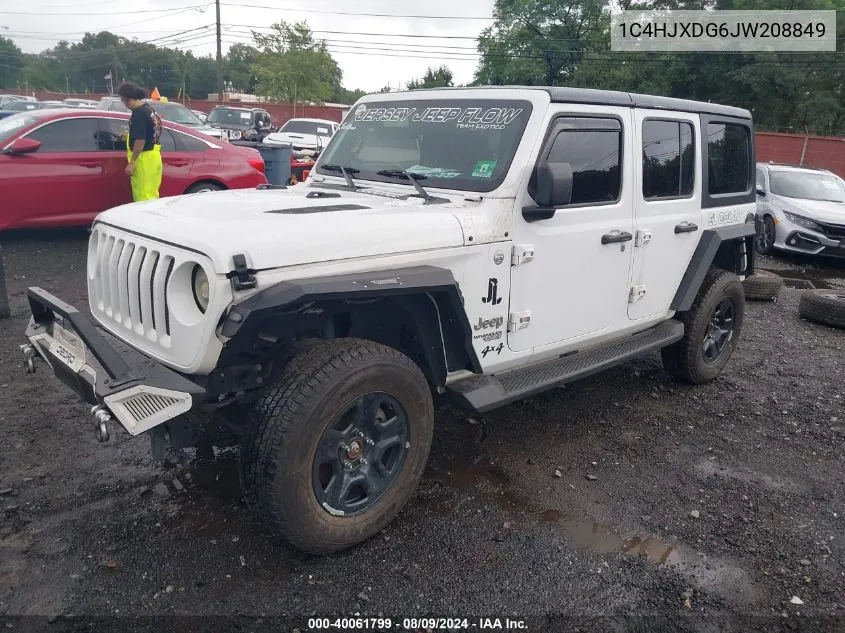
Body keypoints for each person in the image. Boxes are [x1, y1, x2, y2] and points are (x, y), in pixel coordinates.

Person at [117, 81, 163, 202]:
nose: (124, 104)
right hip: (153, 156)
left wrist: (132, 163)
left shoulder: (139, 114)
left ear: (128, 99)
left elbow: (140, 140)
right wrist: (129, 136)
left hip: (143, 159)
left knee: (143, 198)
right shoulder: (149, 110)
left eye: (123, 100)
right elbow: (150, 133)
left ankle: (145, 220)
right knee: (151, 195)